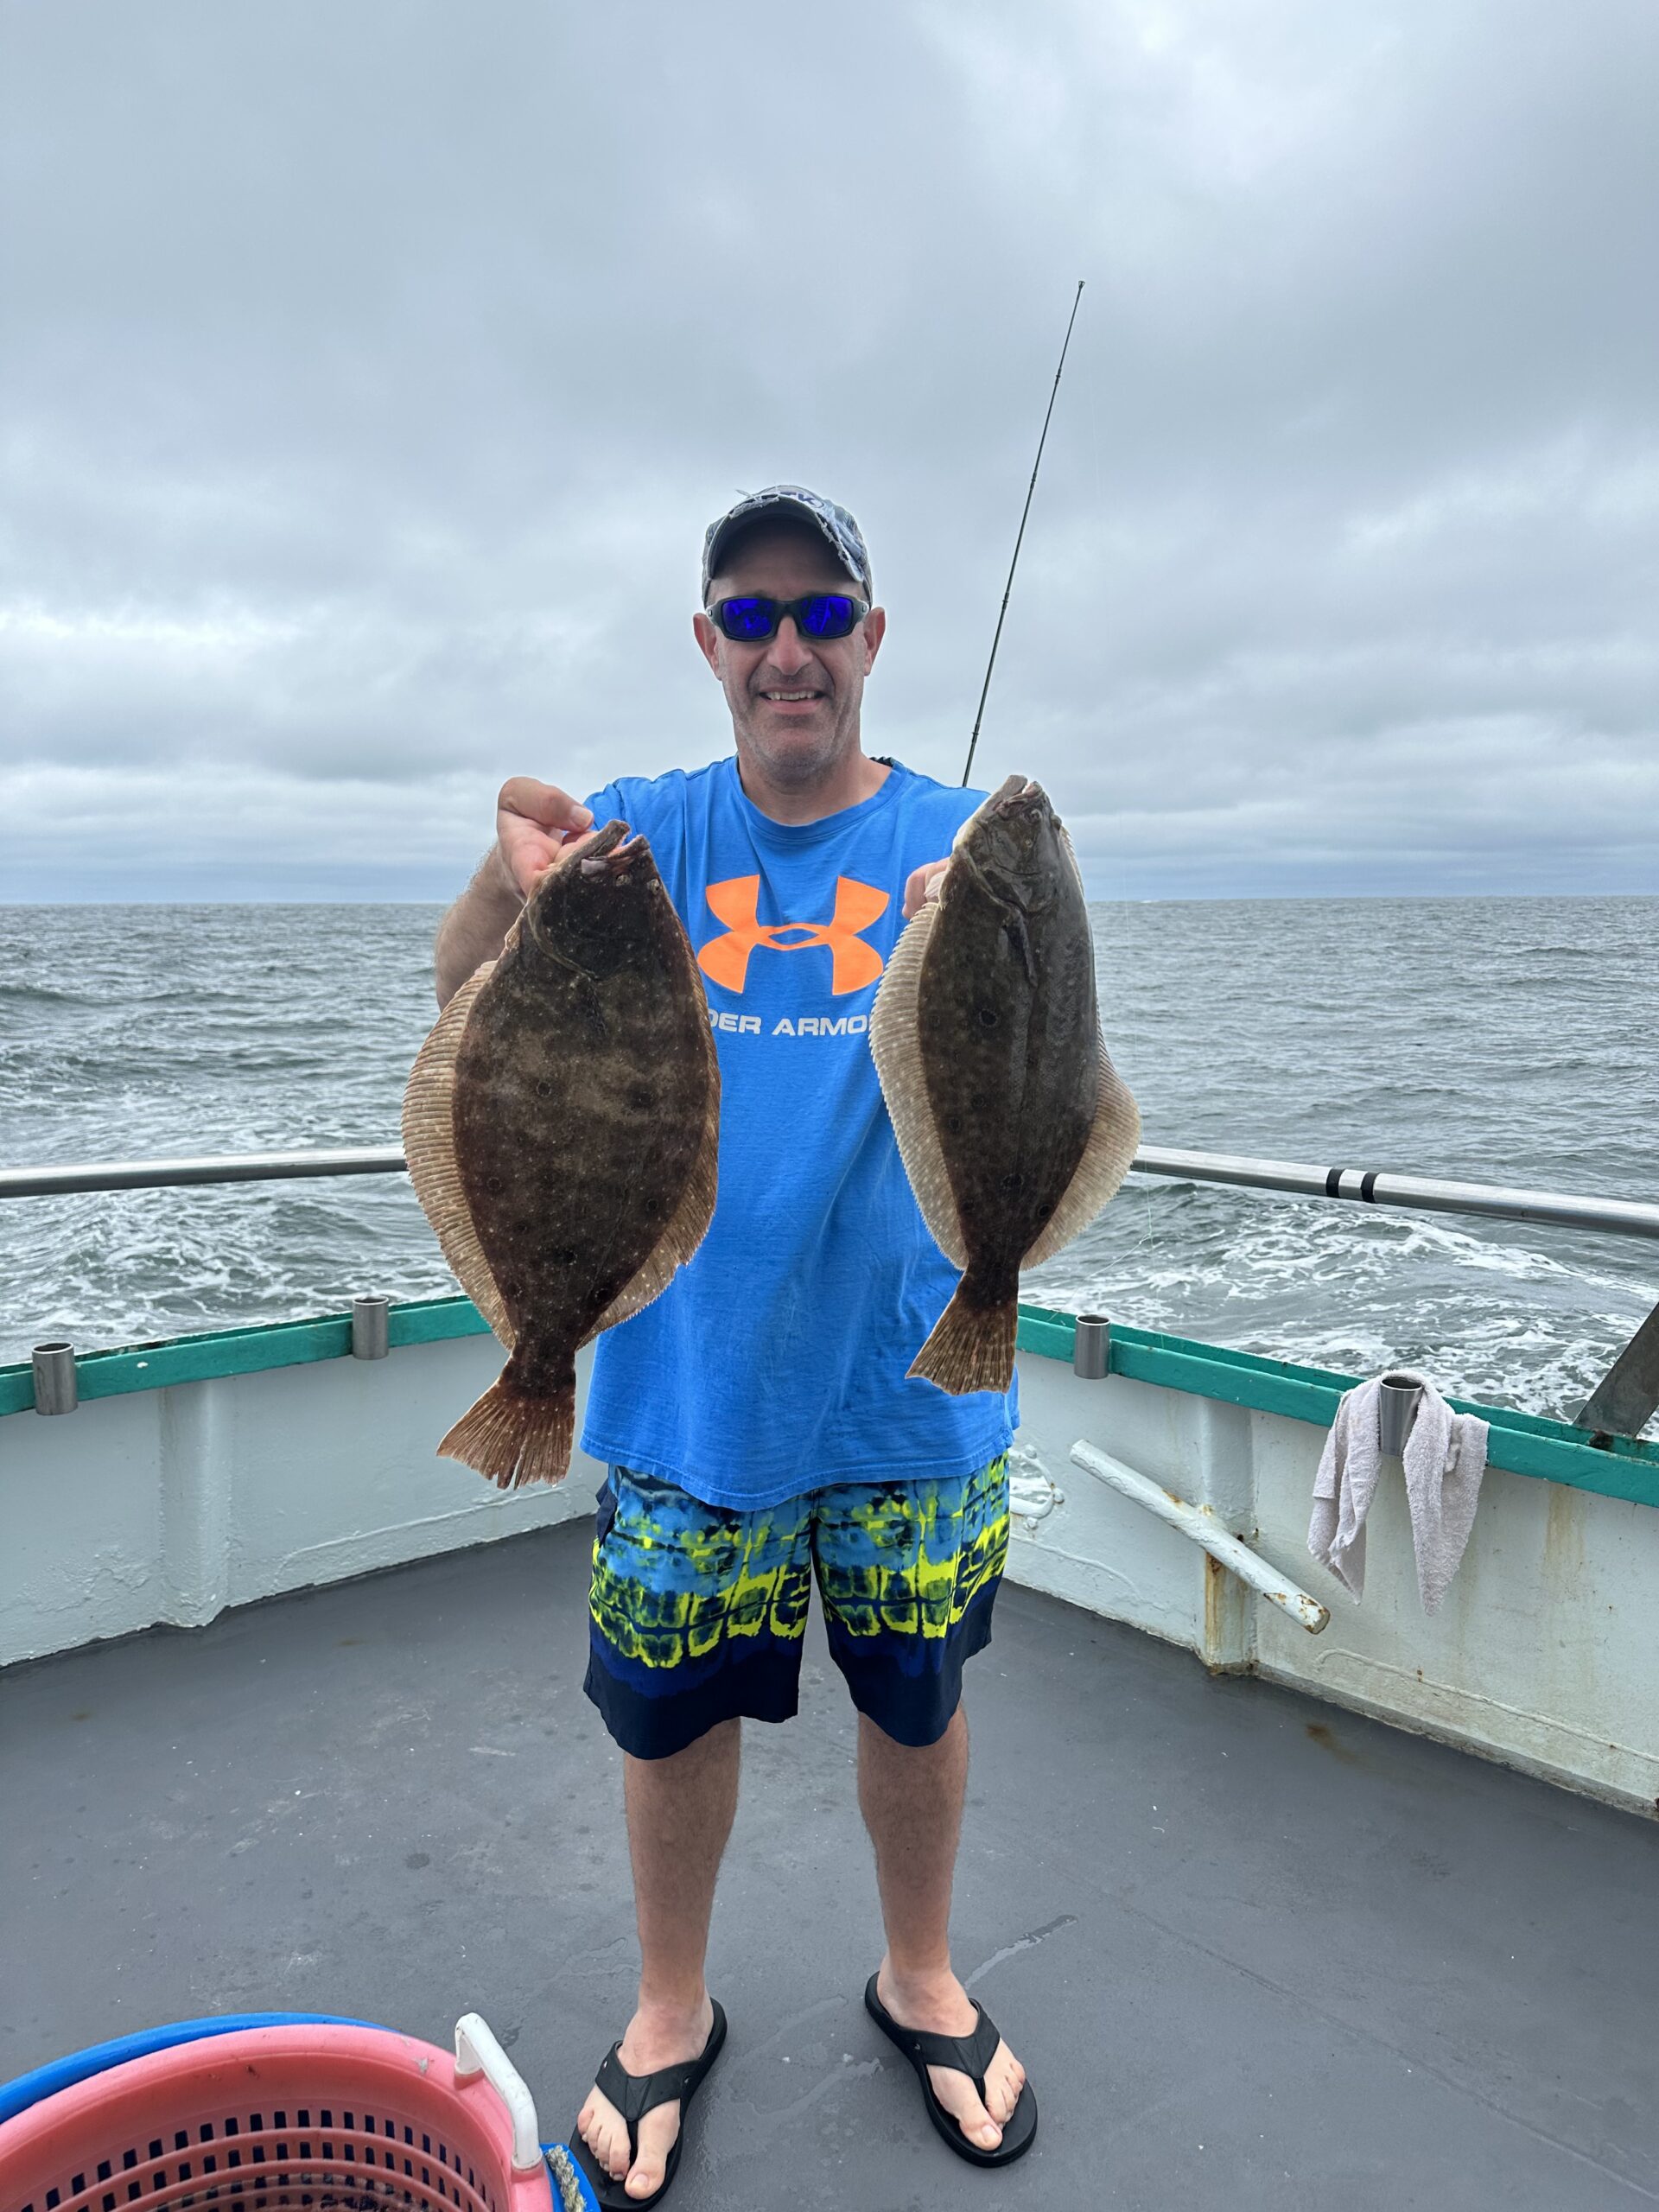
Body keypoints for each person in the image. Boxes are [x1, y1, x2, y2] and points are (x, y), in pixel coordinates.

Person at [433, 486, 1035, 2207]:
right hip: (683, 1394)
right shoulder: (631, 836)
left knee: (918, 1706)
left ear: (871, 635)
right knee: (670, 1724)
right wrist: (499, 876)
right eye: (752, 614)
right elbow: (464, 996)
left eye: (823, 612)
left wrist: (984, 926)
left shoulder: (960, 838)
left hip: (917, 1384)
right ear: (708, 642)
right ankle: (667, 2003)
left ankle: (919, 1971)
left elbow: (1036, 1069)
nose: (790, 647)